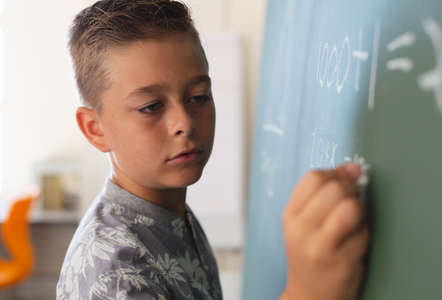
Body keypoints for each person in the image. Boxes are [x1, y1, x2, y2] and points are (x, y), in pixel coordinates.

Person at [56, 1, 370, 299]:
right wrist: (308, 293)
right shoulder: (113, 274)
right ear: (95, 129)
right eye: (151, 107)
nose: (184, 123)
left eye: (199, 96)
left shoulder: (171, 214)